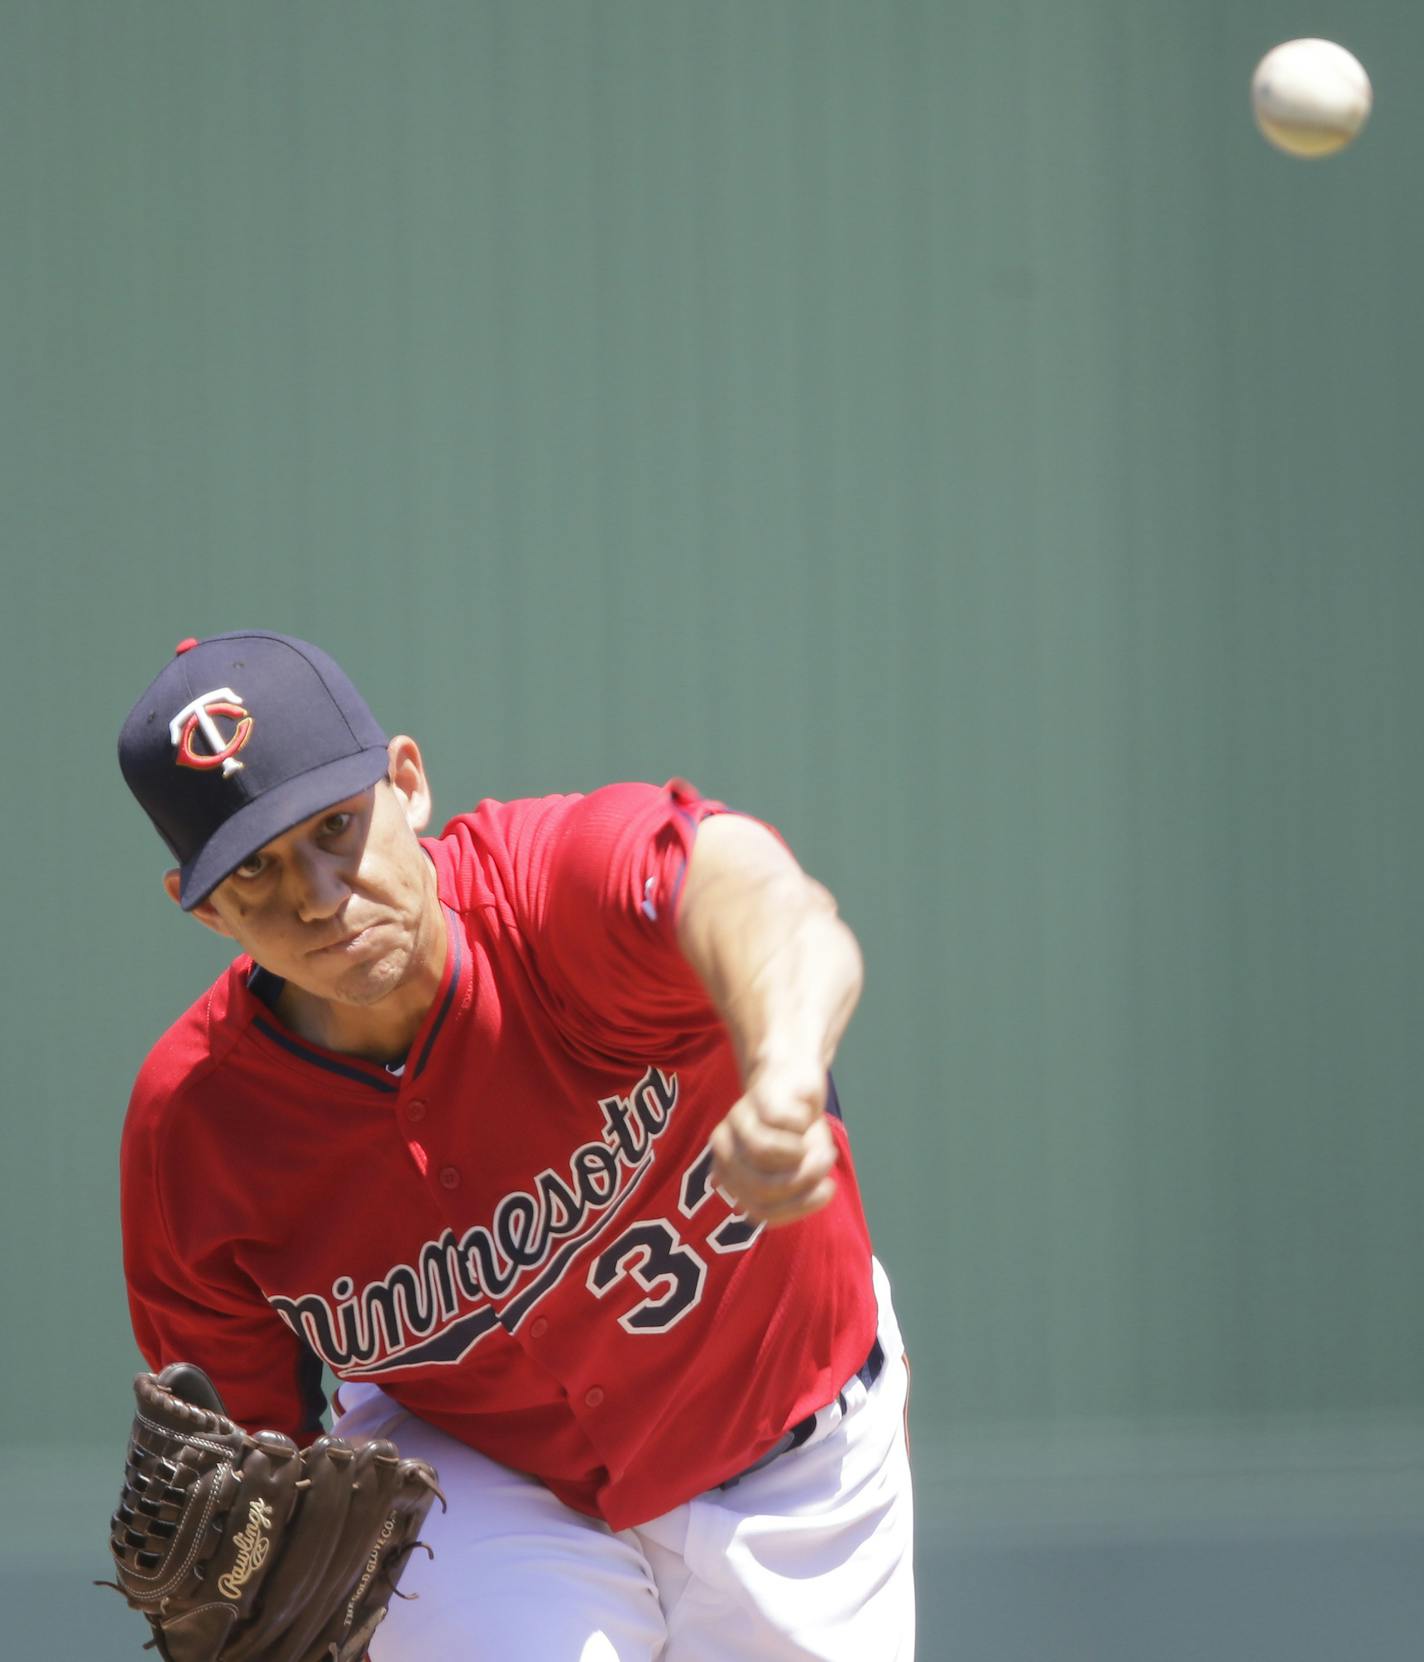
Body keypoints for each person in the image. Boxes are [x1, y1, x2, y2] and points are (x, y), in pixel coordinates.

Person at [116, 629, 914, 1661]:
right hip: (479, 1485)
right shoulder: (195, 1131)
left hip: (789, 1461)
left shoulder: (557, 893)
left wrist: (787, 1066)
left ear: (406, 784)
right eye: (256, 870)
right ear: (203, 907)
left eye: (336, 826)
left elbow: (771, 908)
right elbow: (258, 1467)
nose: (315, 894)